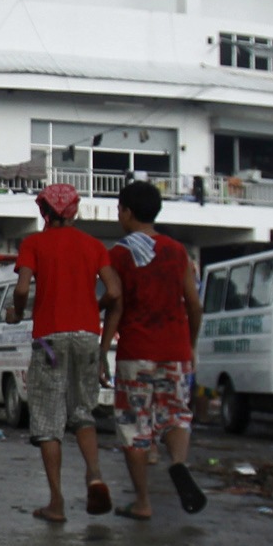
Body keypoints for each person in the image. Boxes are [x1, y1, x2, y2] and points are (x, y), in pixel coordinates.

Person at [7, 183, 122, 521]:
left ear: (44, 211)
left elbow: (23, 287)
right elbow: (114, 291)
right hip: (87, 335)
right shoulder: (93, 245)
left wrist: (17, 311)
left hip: (49, 340)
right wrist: (92, 306)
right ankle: (94, 475)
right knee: (82, 411)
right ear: (75, 211)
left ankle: (56, 502)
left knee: (48, 422)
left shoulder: (34, 243)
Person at [100, 181, 207, 519]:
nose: (119, 216)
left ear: (128, 213)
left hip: (136, 352)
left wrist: (104, 350)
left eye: (119, 210)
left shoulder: (119, 253)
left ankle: (143, 502)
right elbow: (194, 304)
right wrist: (190, 344)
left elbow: (115, 303)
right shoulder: (178, 252)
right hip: (174, 350)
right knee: (176, 414)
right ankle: (177, 462)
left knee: (135, 426)